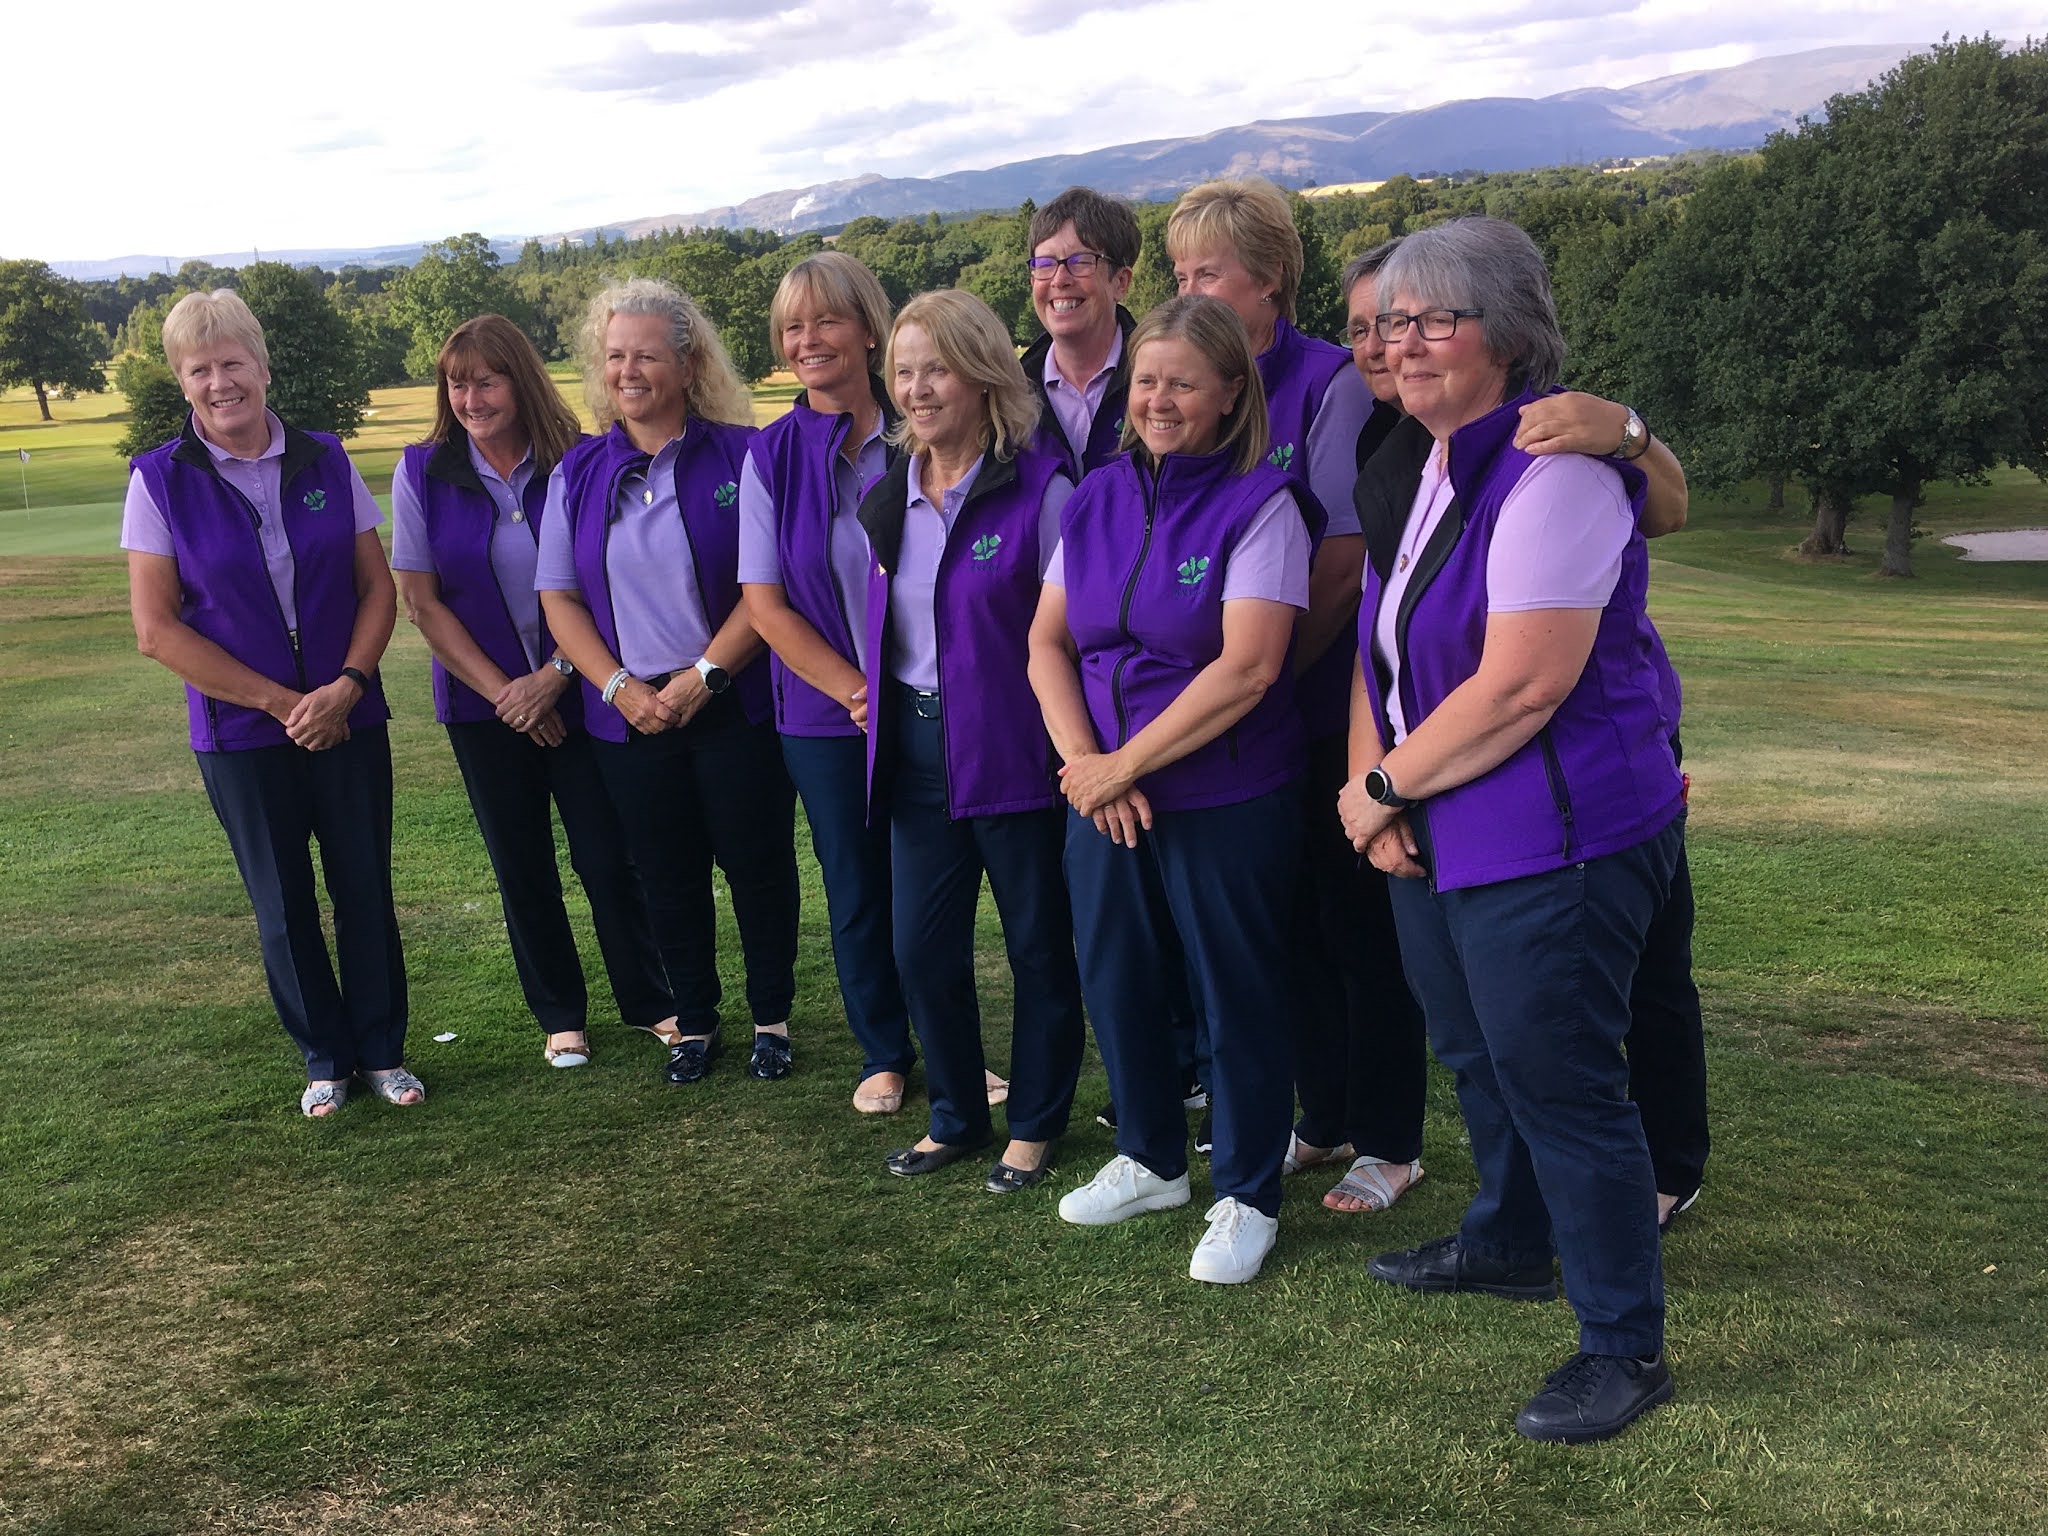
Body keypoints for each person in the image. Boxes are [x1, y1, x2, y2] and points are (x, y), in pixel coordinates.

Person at [1336, 217, 1686, 1443]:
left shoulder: (1556, 471)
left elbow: (1524, 683)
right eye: (1390, 322)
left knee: (1562, 1082)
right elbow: (1379, 651)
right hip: (1438, 822)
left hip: (1556, 835)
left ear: (1506, 333)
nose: (1401, 343)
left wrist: (1382, 789)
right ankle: (1508, 1240)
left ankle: (1621, 1346)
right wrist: (1376, 793)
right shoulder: (1423, 463)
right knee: (1476, 1053)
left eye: (1435, 320)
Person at [1029, 294, 1318, 1285]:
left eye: (1182, 384)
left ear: (1231, 392)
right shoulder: (1095, 497)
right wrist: (1087, 768)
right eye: (1145, 380)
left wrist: (1124, 765)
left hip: (1224, 795)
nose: (1157, 400)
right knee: (1117, 976)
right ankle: (1151, 1159)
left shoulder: (1264, 504)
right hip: (1103, 790)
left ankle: (1247, 1194)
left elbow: (1248, 668)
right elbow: (1046, 644)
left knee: (1234, 993)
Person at [1167, 177, 1412, 1187]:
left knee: (1358, 928)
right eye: (1179, 274)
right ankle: (1324, 1113)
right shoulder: (1195, 383)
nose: (1189, 291)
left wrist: (1259, 680)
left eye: (1209, 273)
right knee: (1292, 928)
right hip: (1239, 714)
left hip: (1314, 703)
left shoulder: (1325, 381)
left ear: (1269, 278)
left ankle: (1389, 1139)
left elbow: (1342, 560)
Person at [122, 289, 418, 1118]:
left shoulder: (324, 457)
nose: (220, 382)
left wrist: (347, 687)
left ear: (262, 366)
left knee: (364, 889)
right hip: (242, 733)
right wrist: (286, 703)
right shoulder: (157, 481)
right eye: (199, 369)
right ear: (182, 382)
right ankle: (326, 1058)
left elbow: (376, 589)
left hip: (349, 716)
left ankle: (382, 1053)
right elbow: (155, 630)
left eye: (233, 362)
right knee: (283, 904)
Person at [391, 314, 672, 1069]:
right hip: (483, 710)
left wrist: (553, 677)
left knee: (607, 857)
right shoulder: (422, 471)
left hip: (582, 694)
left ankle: (651, 1001)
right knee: (522, 866)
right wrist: (509, 698)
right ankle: (560, 1015)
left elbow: (605, 579)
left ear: (520, 381)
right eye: (457, 385)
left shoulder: (579, 460)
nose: (471, 399)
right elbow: (421, 602)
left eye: (486, 382)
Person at [852, 290, 1087, 1191]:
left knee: (1037, 947)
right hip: (914, 754)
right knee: (921, 950)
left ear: (985, 375)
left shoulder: (1043, 491)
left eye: (937, 369)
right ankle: (955, 1114)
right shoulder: (888, 496)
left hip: (1016, 753)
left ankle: (1034, 1123)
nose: (916, 389)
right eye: (904, 371)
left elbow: (1070, 635)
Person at [537, 278, 799, 1087]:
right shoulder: (578, 471)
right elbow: (559, 599)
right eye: (616, 356)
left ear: (689, 365)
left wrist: (704, 677)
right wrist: (618, 687)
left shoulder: (745, 455)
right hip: (631, 716)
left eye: (648, 355)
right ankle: (695, 1023)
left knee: (757, 867)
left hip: (734, 702)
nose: (629, 371)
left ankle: (772, 1020)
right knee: (664, 875)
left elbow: (767, 588)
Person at [1021, 187, 1211, 1120]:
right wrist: (1087, 760)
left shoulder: (1165, 369)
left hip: (1173, 695)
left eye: (1079, 261)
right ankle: (1144, 1081)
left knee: (1185, 914)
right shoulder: (1007, 387)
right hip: (1054, 680)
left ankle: (1197, 1070)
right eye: (1044, 262)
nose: (1059, 279)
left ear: (1122, 278)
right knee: (1093, 909)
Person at [737, 252, 920, 1115]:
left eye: (827, 320)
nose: (808, 339)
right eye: (793, 326)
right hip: (822, 715)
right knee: (856, 889)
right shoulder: (769, 455)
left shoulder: (921, 430)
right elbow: (763, 604)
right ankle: (884, 1052)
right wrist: (857, 692)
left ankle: (952, 1047)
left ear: (870, 329)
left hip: (931, 699)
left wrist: (896, 696)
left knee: (928, 886)